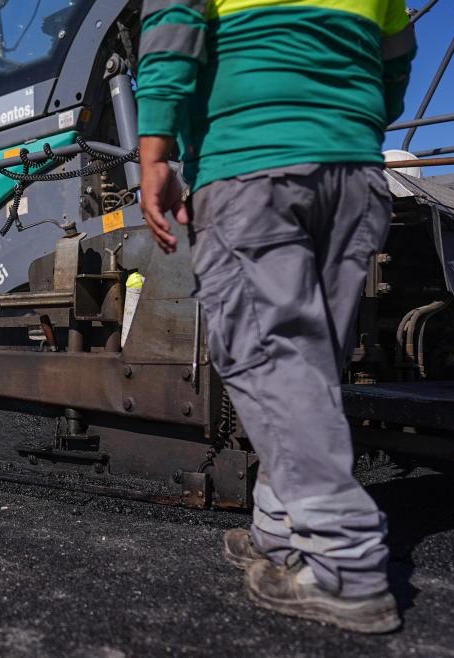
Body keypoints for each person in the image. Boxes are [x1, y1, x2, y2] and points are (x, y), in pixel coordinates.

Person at [135, 0, 416, 634]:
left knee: (269, 360)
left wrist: (156, 152)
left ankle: (345, 564)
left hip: (253, 165)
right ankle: (281, 532)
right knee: (306, 364)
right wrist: (343, 117)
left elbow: (171, 30)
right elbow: (395, 62)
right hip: (354, 171)